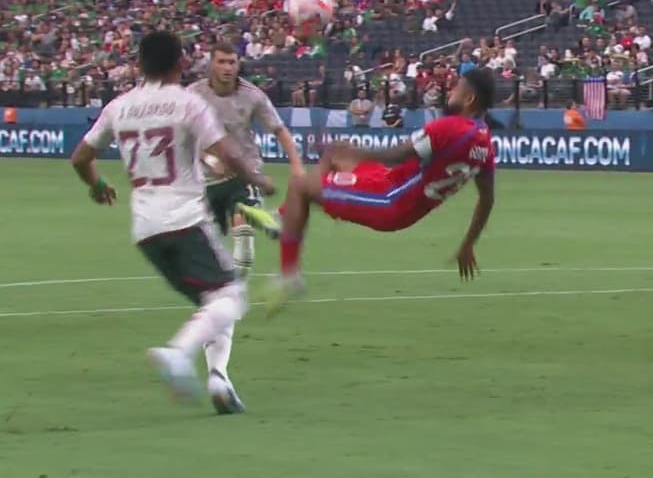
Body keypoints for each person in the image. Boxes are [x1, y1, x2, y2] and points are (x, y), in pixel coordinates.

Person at [69, 31, 273, 413]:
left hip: (145, 230)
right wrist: (256, 178)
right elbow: (225, 151)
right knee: (232, 297)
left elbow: (80, 157)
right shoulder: (186, 103)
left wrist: (97, 185)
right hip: (185, 219)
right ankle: (177, 354)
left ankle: (219, 381)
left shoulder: (120, 106)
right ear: (181, 63)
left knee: (214, 302)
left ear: (139, 64)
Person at [265, 69, 498, 313]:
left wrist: (361, 154)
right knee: (335, 150)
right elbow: (487, 198)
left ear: (469, 98)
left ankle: (289, 274)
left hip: (389, 198)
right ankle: (286, 216)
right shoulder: (485, 144)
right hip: (393, 186)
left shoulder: (451, 127)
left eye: (457, 88)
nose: (451, 91)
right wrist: (469, 244)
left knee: (300, 187)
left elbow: (398, 155)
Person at [188, 43, 303, 276]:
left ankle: (233, 295)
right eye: (221, 61)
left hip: (245, 172)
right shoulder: (193, 95)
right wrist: (208, 159)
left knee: (243, 244)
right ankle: (263, 217)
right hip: (208, 178)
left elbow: (280, 129)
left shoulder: (252, 95)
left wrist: (297, 165)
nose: (227, 67)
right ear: (211, 64)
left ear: (239, 64)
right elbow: (182, 136)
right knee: (207, 245)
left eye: (232, 62)